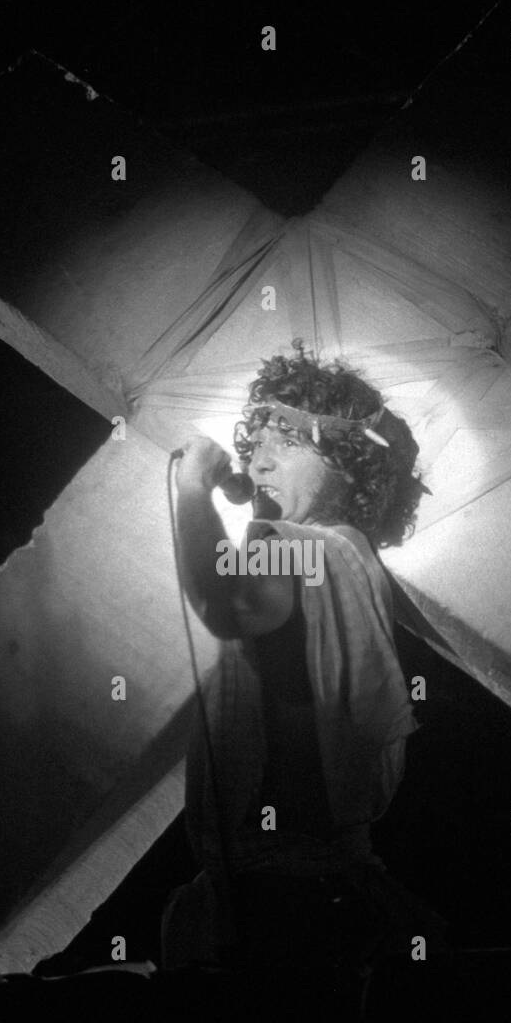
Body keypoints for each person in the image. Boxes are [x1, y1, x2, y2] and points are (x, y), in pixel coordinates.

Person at [161, 342, 439, 980]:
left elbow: (226, 602)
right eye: (251, 442)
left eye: (281, 440)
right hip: (315, 899)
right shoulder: (348, 556)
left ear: (342, 458)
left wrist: (193, 489)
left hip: (284, 914)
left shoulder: (295, 546)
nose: (256, 458)